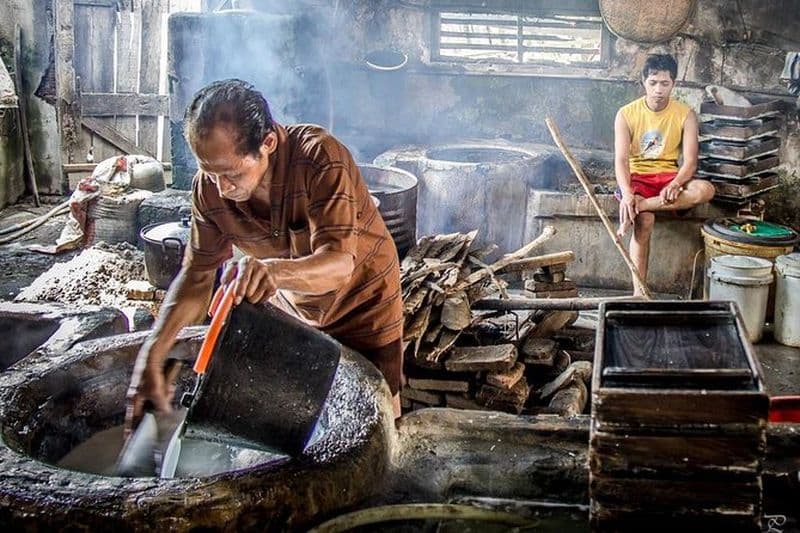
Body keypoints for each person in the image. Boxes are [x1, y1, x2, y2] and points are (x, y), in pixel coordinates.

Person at [126, 79, 404, 432]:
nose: (221, 188)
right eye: (208, 171)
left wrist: (272, 273)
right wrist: (154, 350)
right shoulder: (209, 190)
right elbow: (197, 275)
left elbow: (338, 263)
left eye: (231, 174)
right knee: (308, 406)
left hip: (363, 299)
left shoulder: (320, 159)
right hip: (296, 302)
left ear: (268, 142)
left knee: (378, 416)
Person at [614, 53, 715, 295]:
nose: (658, 89)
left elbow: (690, 161)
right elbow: (620, 159)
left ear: (674, 83)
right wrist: (628, 193)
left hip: (668, 179)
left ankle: (643, 204)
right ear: (643, 82)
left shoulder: (685, 114)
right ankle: (640, 291)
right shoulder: (626, 113)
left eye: (665, 83)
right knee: (645, 220)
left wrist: (677, 182)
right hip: (638, 178)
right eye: (653, 83)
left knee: (705, 190)